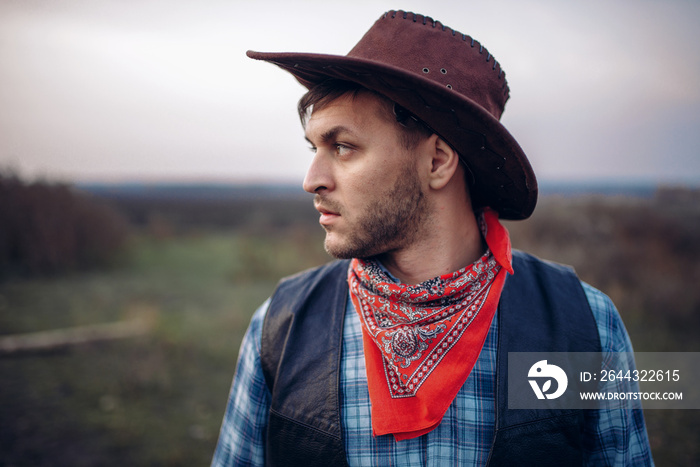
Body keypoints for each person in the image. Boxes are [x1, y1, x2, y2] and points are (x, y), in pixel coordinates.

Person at [212, 10, 653, 466]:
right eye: (315, 149)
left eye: (343, 146)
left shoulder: (583, 323)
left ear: (438, 161)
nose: (312, 180)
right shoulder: (281, 325)